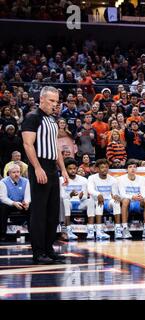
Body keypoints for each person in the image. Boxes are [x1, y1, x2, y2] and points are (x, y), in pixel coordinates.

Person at [21, 86, 69, 264]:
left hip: (52, 168)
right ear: (41, 99)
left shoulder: (52, 120)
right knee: (39, 212)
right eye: (51, 101)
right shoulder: (32, 118)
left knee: (52, 211)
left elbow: (55, 146)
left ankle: (49, 249)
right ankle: (38, 252)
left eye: (57, 101)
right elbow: (28, 144)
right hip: (39, 166)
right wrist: (37, 167)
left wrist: (62, 169)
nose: (55, 105)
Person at [118, 159, 145, 239]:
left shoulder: (141, 179)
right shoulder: (120, 179)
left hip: (138, 202)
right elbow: (122, 194)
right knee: (125, 200)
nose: (133, 169)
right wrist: (133, 197)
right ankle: (125, 228)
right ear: (126, 169)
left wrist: (140, 197)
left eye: (134, 167)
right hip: (128, 203)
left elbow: (143, 193)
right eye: (130, 167)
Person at [59, 158, 93, 241]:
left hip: (80, 203)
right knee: (65, 201)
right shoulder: (61, 180)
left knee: (90, 201)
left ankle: (90, 230)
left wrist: (82, 196)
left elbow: (85, 196)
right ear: (65, 169)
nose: (73, 171)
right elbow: (61, 196)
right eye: (70, 169)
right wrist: (70, 195)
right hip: (68, 203)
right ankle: (68, 230)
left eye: (74, 168)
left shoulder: (84, 180)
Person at [87, 159, 121, 241]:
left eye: (106, 167)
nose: (105, 169)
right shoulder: (92, 178)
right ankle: (99, 231)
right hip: (96, 200)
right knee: (99, 202)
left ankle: (118, 229)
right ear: (97, 169)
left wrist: (117, 196)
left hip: (108, 201)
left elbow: (115, 193)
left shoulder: (113, 179)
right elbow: (90, 190)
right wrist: (98, 194)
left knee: (116, 202)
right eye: (102, 167)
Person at [0, 164, 31, 241]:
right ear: (9, 173)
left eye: (18, 172)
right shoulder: (3, 182)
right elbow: (3, 198)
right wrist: (13, 203)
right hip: (9, 204)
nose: (16, 174)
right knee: (2, 208)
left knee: (32, 207)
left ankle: (32, 233)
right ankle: (2, 234)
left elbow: (28, 195)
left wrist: (27, 202)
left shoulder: (26, 181)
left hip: (22, 203)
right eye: (14, 172)